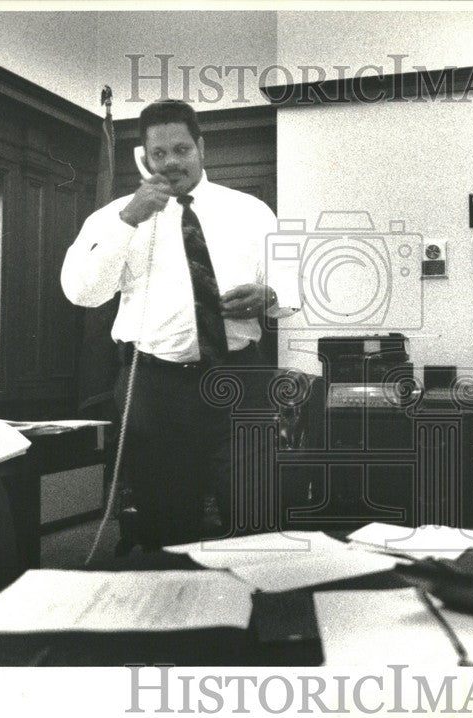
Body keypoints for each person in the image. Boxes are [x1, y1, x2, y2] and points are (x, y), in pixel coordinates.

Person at [62, 99, 298, 550]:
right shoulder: (114, 218)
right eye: (159, 154)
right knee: (167, 517)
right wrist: (127, 221)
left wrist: (269, 296)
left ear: (201, 148)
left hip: (240, 378)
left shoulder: (252, 212)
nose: (171, 162)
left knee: (255, 511)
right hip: (154, 385)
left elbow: (290, 287)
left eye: (181, 150)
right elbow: (82, 292)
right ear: (144, 159)